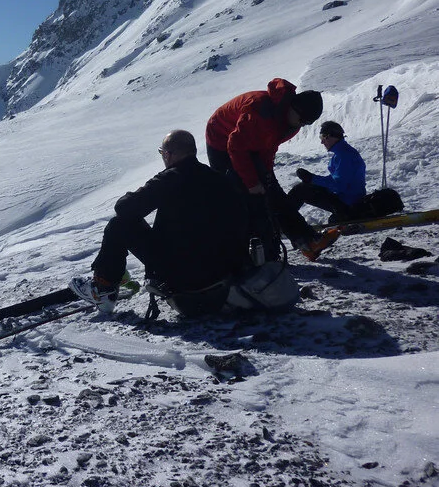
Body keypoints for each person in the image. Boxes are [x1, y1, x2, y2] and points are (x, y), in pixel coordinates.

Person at [70, 130, 248, 316]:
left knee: (119, 224)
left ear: (169, 154)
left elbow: (124, 207)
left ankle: (103, 289)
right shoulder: (218, 178)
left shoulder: (171, 178)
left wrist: (154, 186)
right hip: (223, 272)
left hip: (182, 276)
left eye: (163, 153)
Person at [205, 77, 337, 261]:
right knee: (241, 196)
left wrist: (266, 177)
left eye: (307, 123)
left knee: (271, 191)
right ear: (293, 108)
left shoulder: (290, 122)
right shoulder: (261, 112)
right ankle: (251, 251)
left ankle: (306, 241)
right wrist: (252, 183)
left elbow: (269, 146)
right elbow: (235, 146)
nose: (302, 125)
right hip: (221, 140)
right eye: (302, 120)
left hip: (248, 143)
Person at [288, 120, 366, 223]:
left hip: (350, 204)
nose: (322, 142)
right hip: (349, 201)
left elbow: (339, 185)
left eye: (323, 137)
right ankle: (282, 220)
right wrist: (312, 180)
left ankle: (281, 222)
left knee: (301, 190)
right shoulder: (342, 153)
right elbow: (336, 180)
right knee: (304, 187)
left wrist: (312, 179)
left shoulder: (344, 156)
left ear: (331, 136)